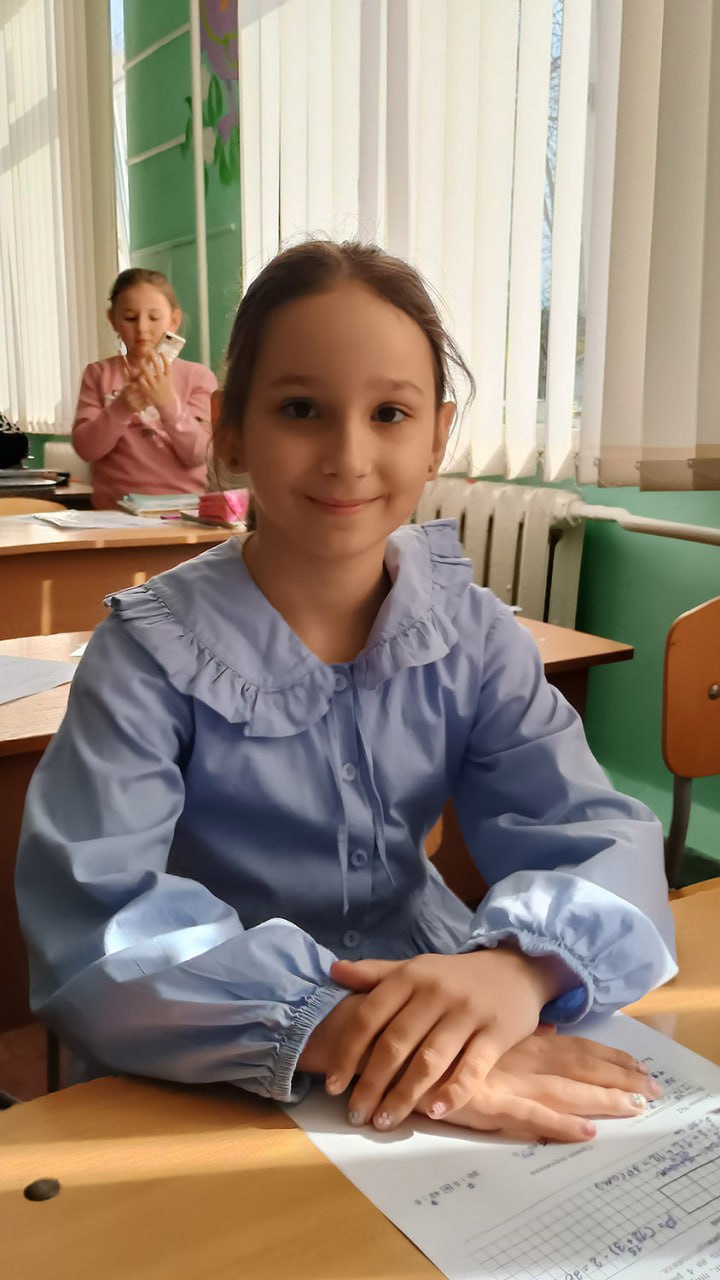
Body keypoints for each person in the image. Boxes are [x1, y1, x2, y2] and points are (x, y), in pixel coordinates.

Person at [17, 241, 675, 1143]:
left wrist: (516, 973)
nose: (348, 456)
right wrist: (361, 1032)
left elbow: (599, 835)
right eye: (301, 410)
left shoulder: (473, 632)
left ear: (437, 435)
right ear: (231, 430)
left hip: (444, 1011)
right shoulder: (146, 654)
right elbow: (101, 923)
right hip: (209, 1044)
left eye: (390, 413)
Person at [72, 268, 217, 509]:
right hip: (114, 513)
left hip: (182, 514)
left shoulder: (198, 377)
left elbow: (199, 454)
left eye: (154, 317)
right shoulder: (98, 374)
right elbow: (87, 449)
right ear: (113, 320)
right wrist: (121, 407)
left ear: (174, 320)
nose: (142, 327)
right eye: (130, 318)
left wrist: (168, 403)